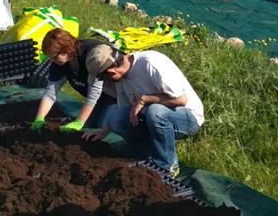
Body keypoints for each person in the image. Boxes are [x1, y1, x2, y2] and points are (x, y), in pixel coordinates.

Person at [82, 45, 204, 178]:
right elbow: (122, 108)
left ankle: (168, 166)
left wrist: (144, 99)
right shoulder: (121, 79)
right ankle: (152, 157)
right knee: (116, 119)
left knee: (155, 111)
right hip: (153, 117)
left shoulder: (150, 63)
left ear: (111, 72)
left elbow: (181, 100)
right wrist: (103, 132)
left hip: (188, 117)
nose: (104, 82)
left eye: (102, 78)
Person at [30, 28, 117, 133]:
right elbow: (50, 93)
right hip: (98, 99)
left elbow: (94, 93)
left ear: (66, 50)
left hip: (115, 95)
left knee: (104, 126)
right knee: (90, 125)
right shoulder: (60, 63)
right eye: (51, 57)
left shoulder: (91, 56)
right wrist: (40, 117)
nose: (53, 61)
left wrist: (79, 122)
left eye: (55, 57)